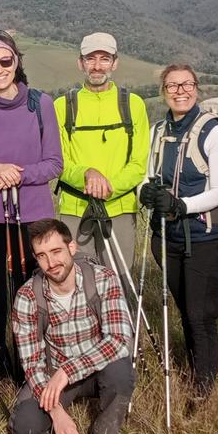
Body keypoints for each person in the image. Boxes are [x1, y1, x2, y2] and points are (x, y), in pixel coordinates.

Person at [0, 32, 64, 382]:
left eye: (6, 61)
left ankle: (33, 360)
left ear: (17, 61)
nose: (0, 68)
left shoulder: (40, 103)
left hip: (34, 218)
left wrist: (15, 175)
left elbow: (53, 164)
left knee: (31, 290)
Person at [137, 62, 218, 402]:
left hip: (204, 236)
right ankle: (197, 367)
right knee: (184, 308)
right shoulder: (158, 130)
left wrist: (181, 206)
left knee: (199, 313)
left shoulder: (213, 131)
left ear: (197, 88)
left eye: (187, 84)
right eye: (173, 86)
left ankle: (203, 386)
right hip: (166, 237)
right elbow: (147, 175)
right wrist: (144, 193)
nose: (181, 91)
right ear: (164, 91)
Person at [7, 219, 135, 434]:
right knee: (25, 428)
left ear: (72, 248)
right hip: (53, 373)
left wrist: (68, 370)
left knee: (121, 372)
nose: (51, 263)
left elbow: (118, 339)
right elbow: (32, 365)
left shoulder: (103, 278)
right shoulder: (27, 296)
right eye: (42, 256)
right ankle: (58, 412)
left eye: (57, 252)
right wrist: (56, 412)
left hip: (97, 368)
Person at [54, 32, 150, 291]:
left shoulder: (133, 105)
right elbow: (58, 161)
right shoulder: (62, 106)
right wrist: (87, 174)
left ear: (115, 63)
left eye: (104, 59)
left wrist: (109, 187)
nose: (97, 66)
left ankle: (122, 331)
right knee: (76, 281)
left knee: (119, 282)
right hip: (76, 208)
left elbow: (139, 162)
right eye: (90, 59)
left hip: (119, 207)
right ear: (80, 63)